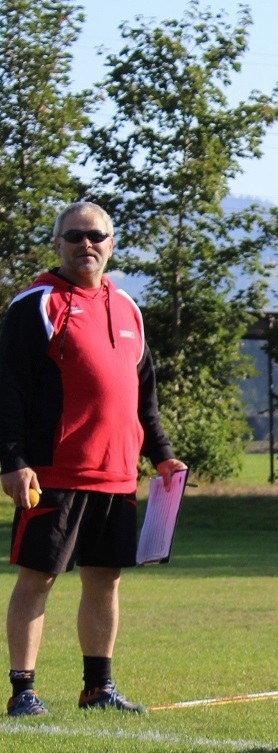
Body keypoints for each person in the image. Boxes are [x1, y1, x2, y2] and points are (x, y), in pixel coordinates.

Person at [1, 201, 187, 717]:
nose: (87, 244)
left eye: (97, 236)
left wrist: (164, 456)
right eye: (75, 236)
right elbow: (8, 390)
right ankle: (23, 692)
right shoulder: (35, 305)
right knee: (38, 576)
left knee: (105, 579)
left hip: (116, 475)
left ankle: (97, 688)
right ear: (57, 244)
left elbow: (142, 395)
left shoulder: (129, 309)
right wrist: (12, 460)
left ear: (111, 243)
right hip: (52, 472)